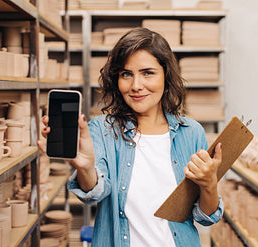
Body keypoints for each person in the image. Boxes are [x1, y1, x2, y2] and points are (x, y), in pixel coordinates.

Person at [37, 28, 224, 246]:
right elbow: (94, 193)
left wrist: (210, 185)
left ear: (166, 75)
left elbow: (205, 217)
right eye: (126, 74)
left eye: (147, 73)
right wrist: (85, 168)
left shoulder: (191, 132)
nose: (136, 85)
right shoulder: (102, 129)